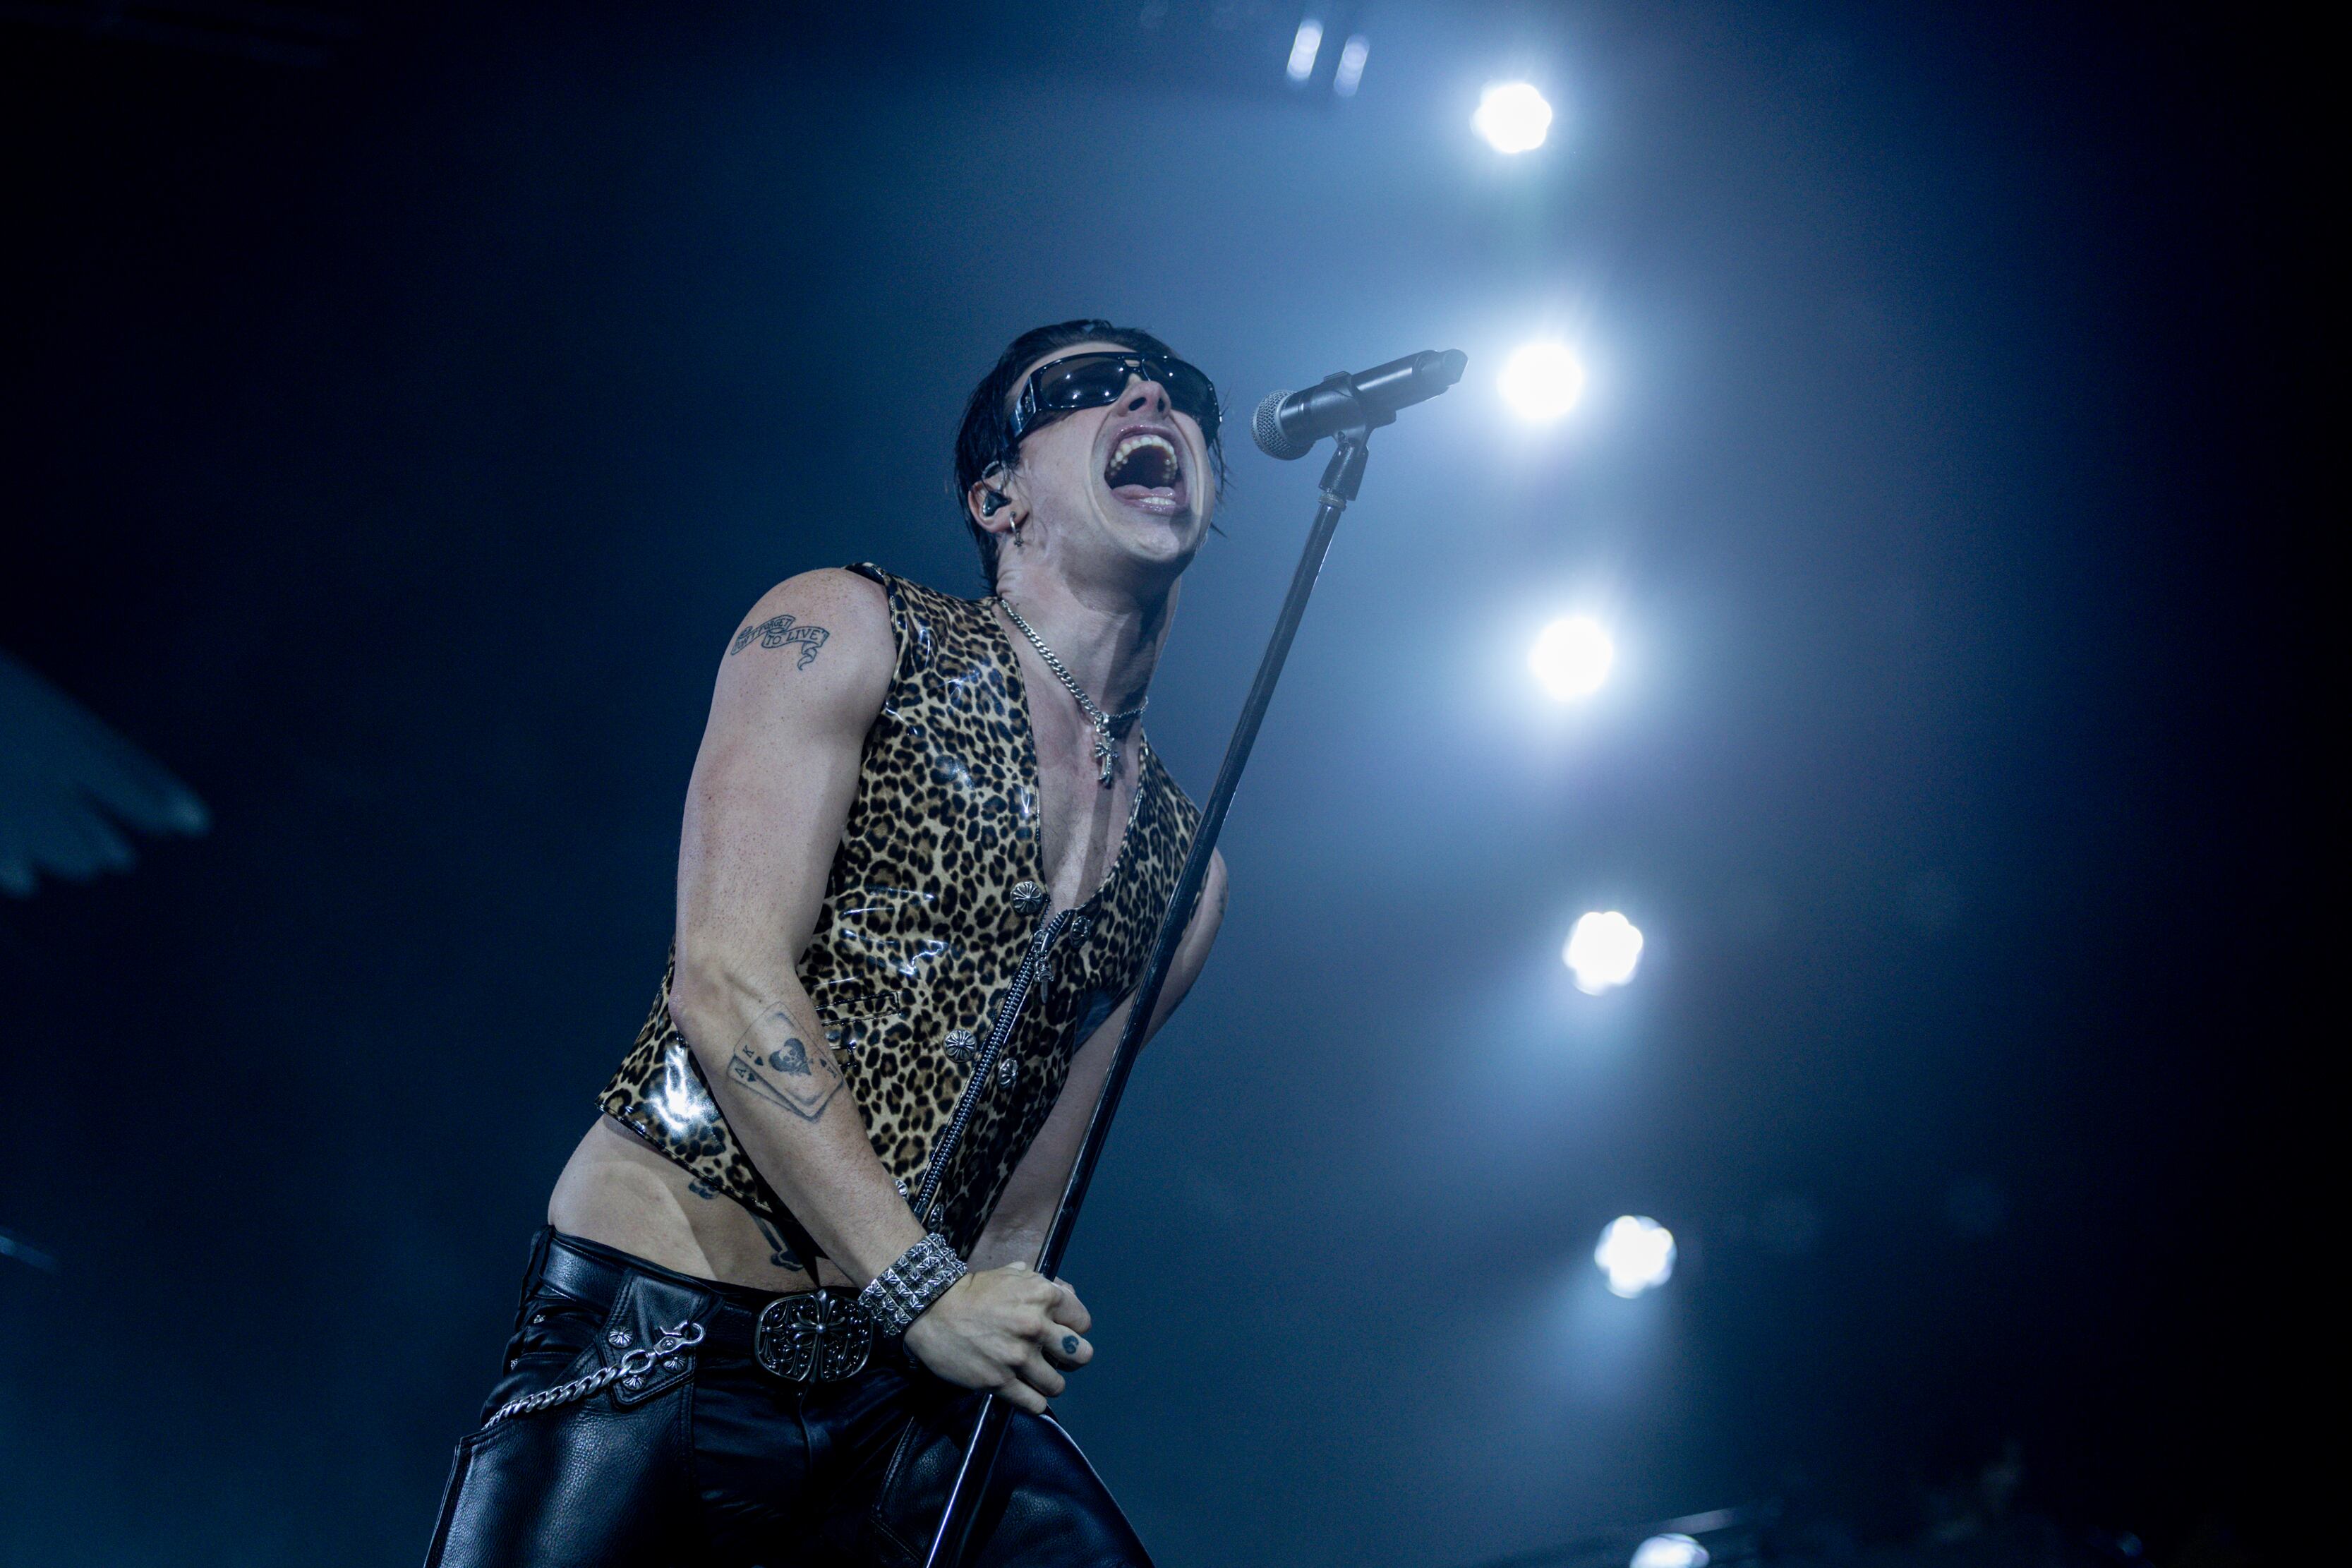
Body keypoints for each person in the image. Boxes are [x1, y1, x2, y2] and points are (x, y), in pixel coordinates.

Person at [423, 320, 1231, 1568]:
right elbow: (727, 975)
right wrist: (926, 1291)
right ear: (997, 493)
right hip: (659, 1340)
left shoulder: (1188, 866)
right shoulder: (846, 627)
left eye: (1183, 393)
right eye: (1083, 387)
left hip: (896, 1399)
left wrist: (989, 1316)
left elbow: (1029, 1190)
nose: (1147, 394)